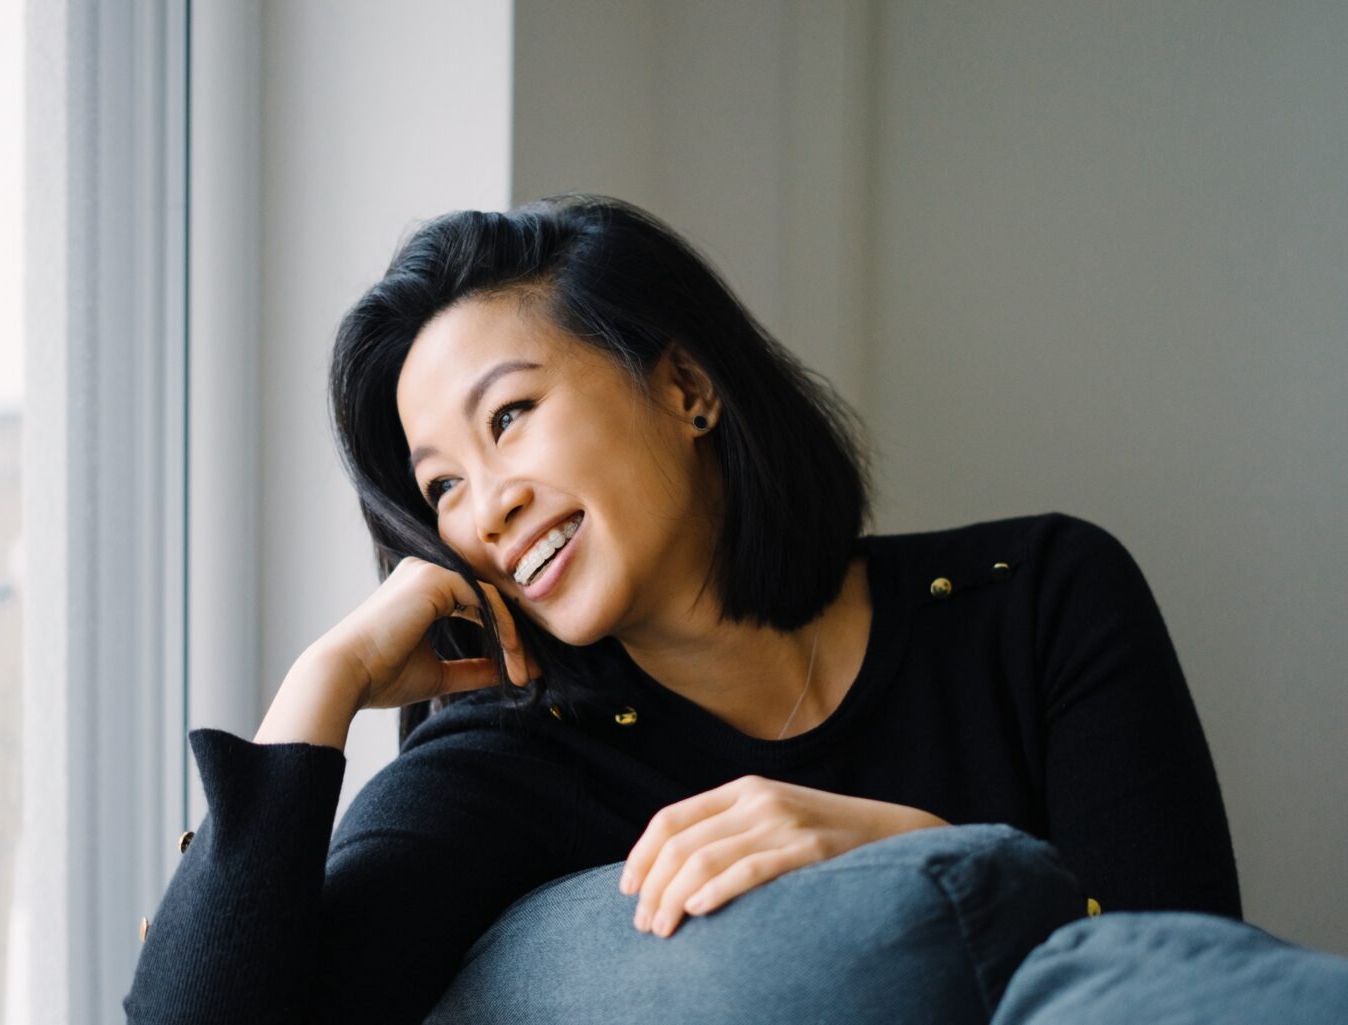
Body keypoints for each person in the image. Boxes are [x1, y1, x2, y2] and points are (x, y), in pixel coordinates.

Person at [122, 194, 1243, 1023]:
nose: (487, 508)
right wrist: (331, 680)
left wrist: (928, 855)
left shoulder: (1040, 598)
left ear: (687, 389)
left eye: (508, 416)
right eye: (442, 486)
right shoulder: (514, 757)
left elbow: (1192, 968)